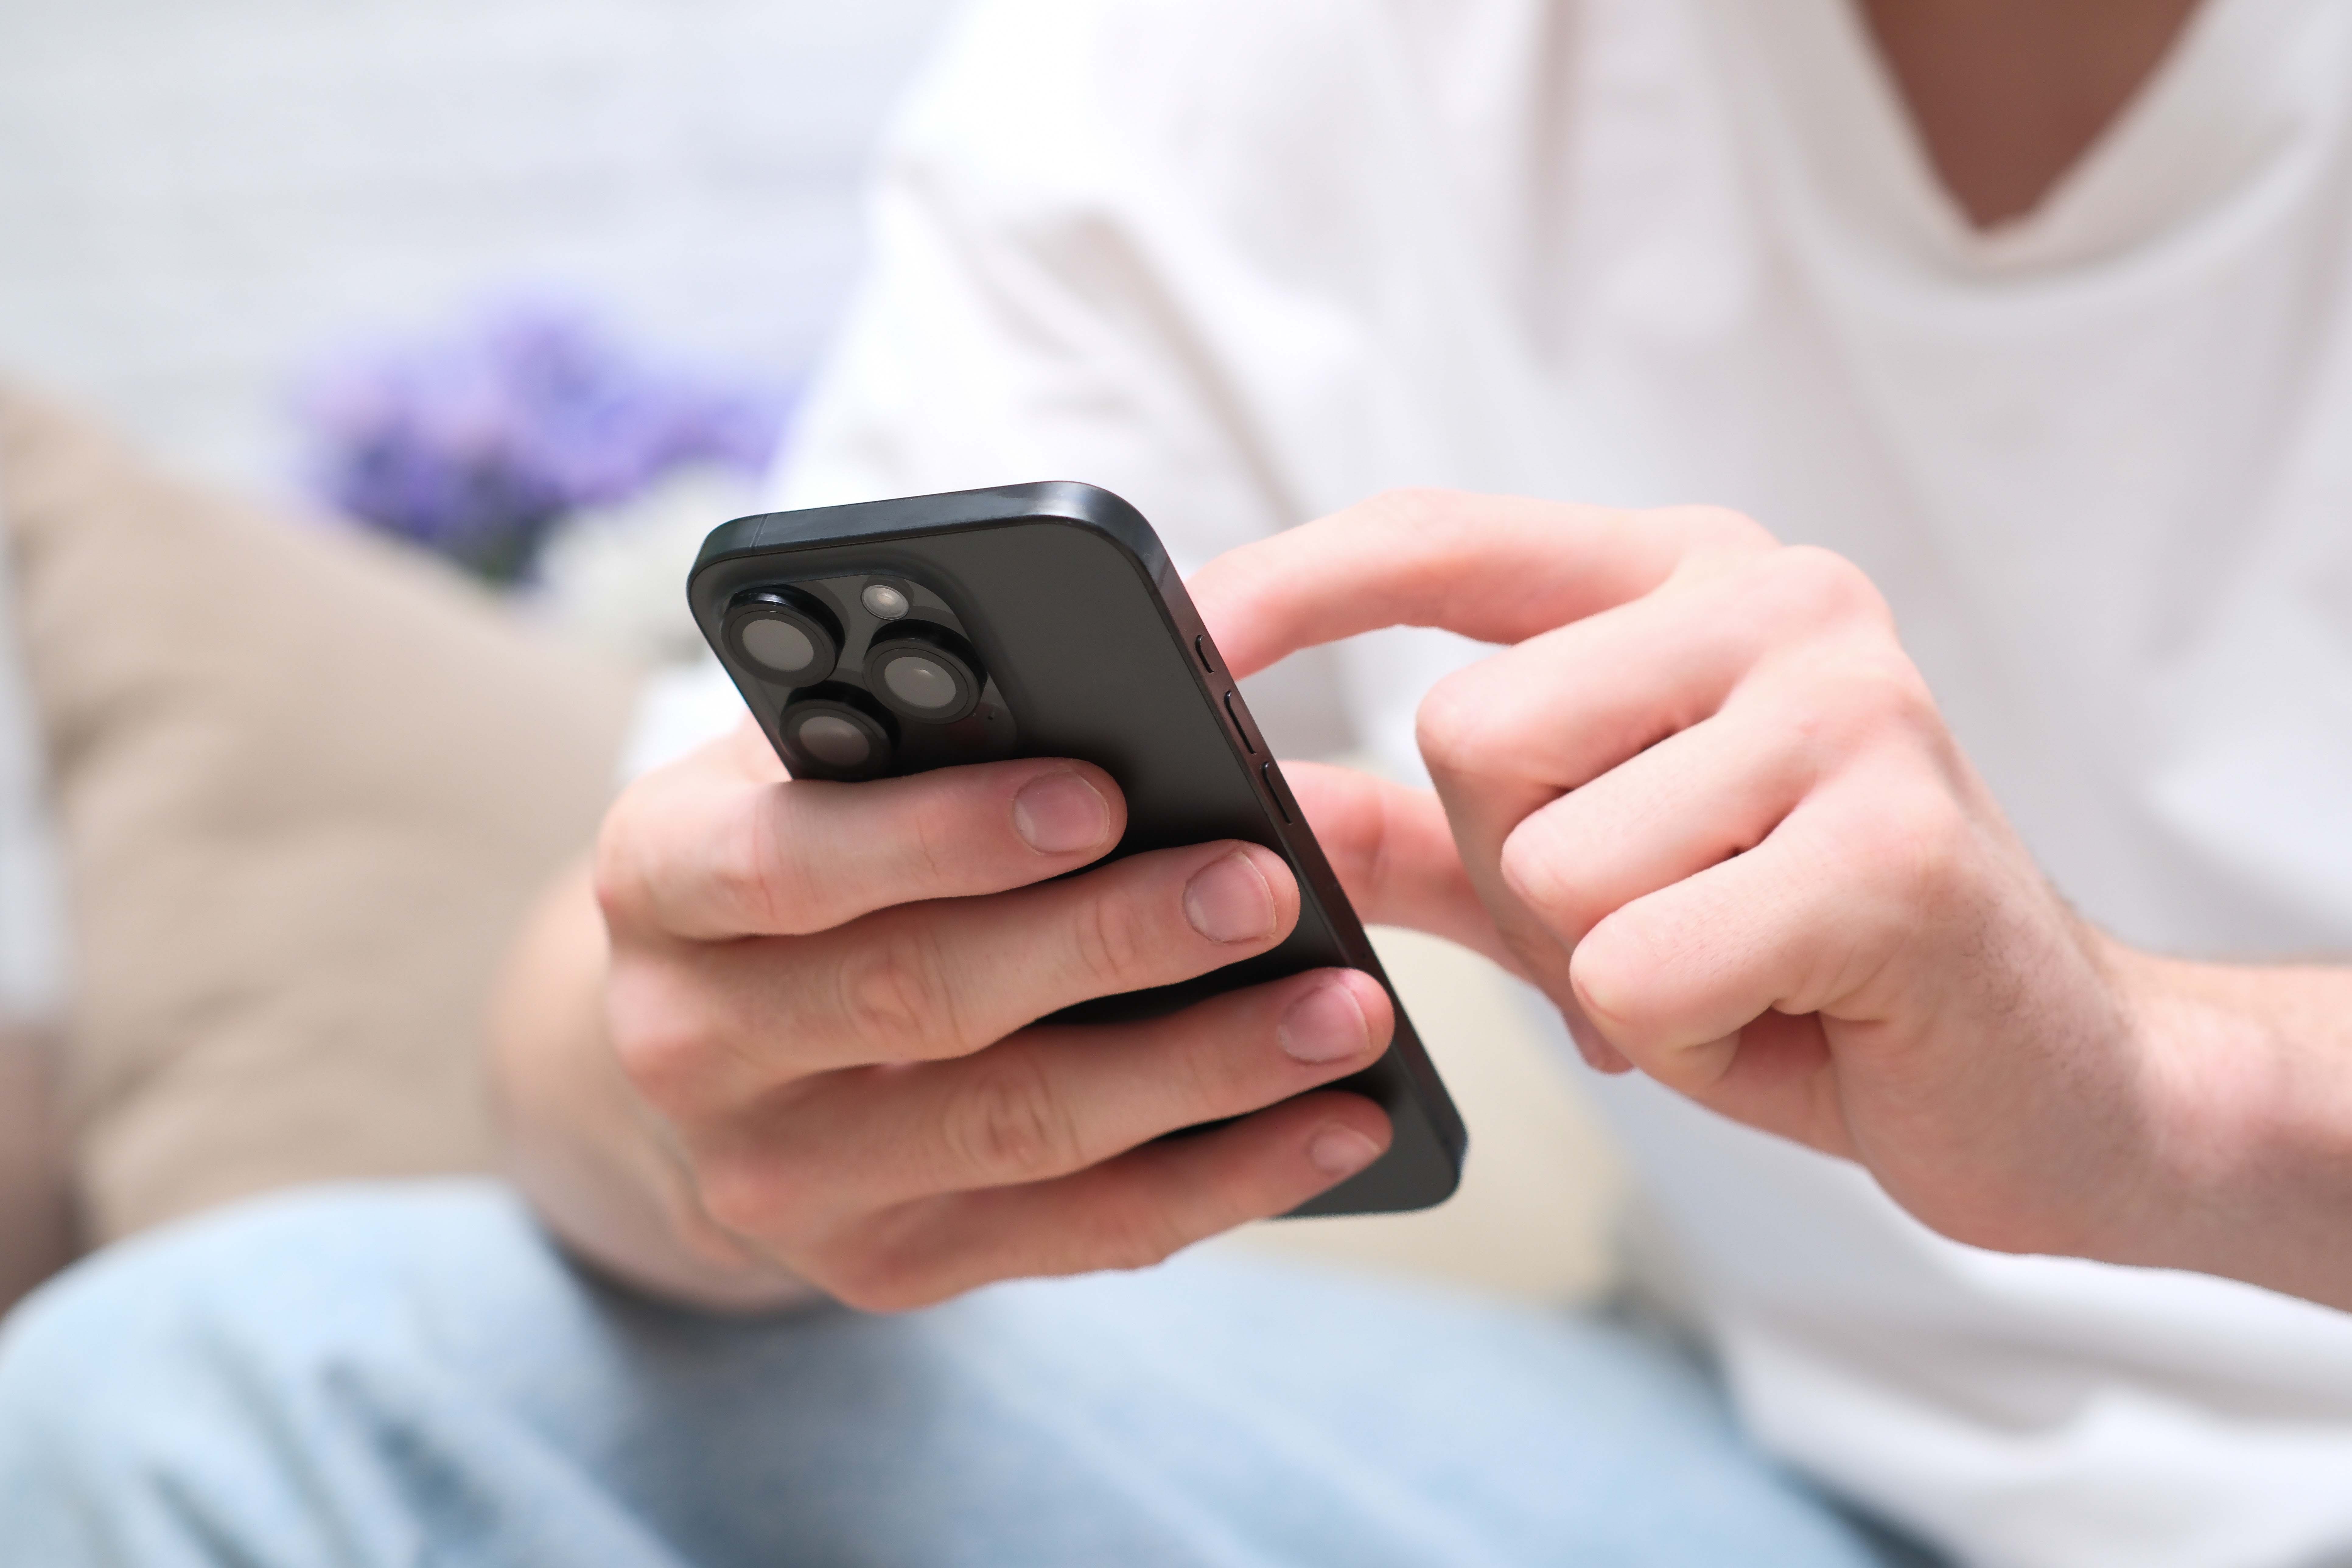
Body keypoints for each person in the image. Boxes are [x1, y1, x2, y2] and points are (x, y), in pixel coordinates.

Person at [6, 0, 2352, 1563]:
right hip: (1791, 1492)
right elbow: (622, 985)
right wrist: (716, 1110)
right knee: (212, 1390)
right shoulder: (1233, 69)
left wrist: (2162, 1088)